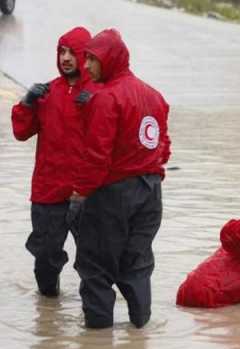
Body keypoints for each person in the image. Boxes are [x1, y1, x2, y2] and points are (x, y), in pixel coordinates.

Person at [69, 28, 171, 329]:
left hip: (113, 195)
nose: (85, 66)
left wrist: (80, 194)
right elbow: (163, 147)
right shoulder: (155, 96)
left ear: (109, 59)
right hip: (151, 193)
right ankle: (140, 334)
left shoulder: (106, 98)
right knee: (137, 266)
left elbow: (96, 157)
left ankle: (97, 342)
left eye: (91, 59)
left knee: (95, 268)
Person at [10, 27, 97, 297]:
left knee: (93, 259)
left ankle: (93, 316)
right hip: (48, 191)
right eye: (62, 52)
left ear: (87, 56)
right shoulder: (46, 93)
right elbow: (21, 133)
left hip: (87, 194)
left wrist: (95, 105)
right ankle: (48, 313)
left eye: (73, 52)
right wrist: (27, 102)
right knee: (45, 258)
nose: (66, 58)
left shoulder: (100, 93)